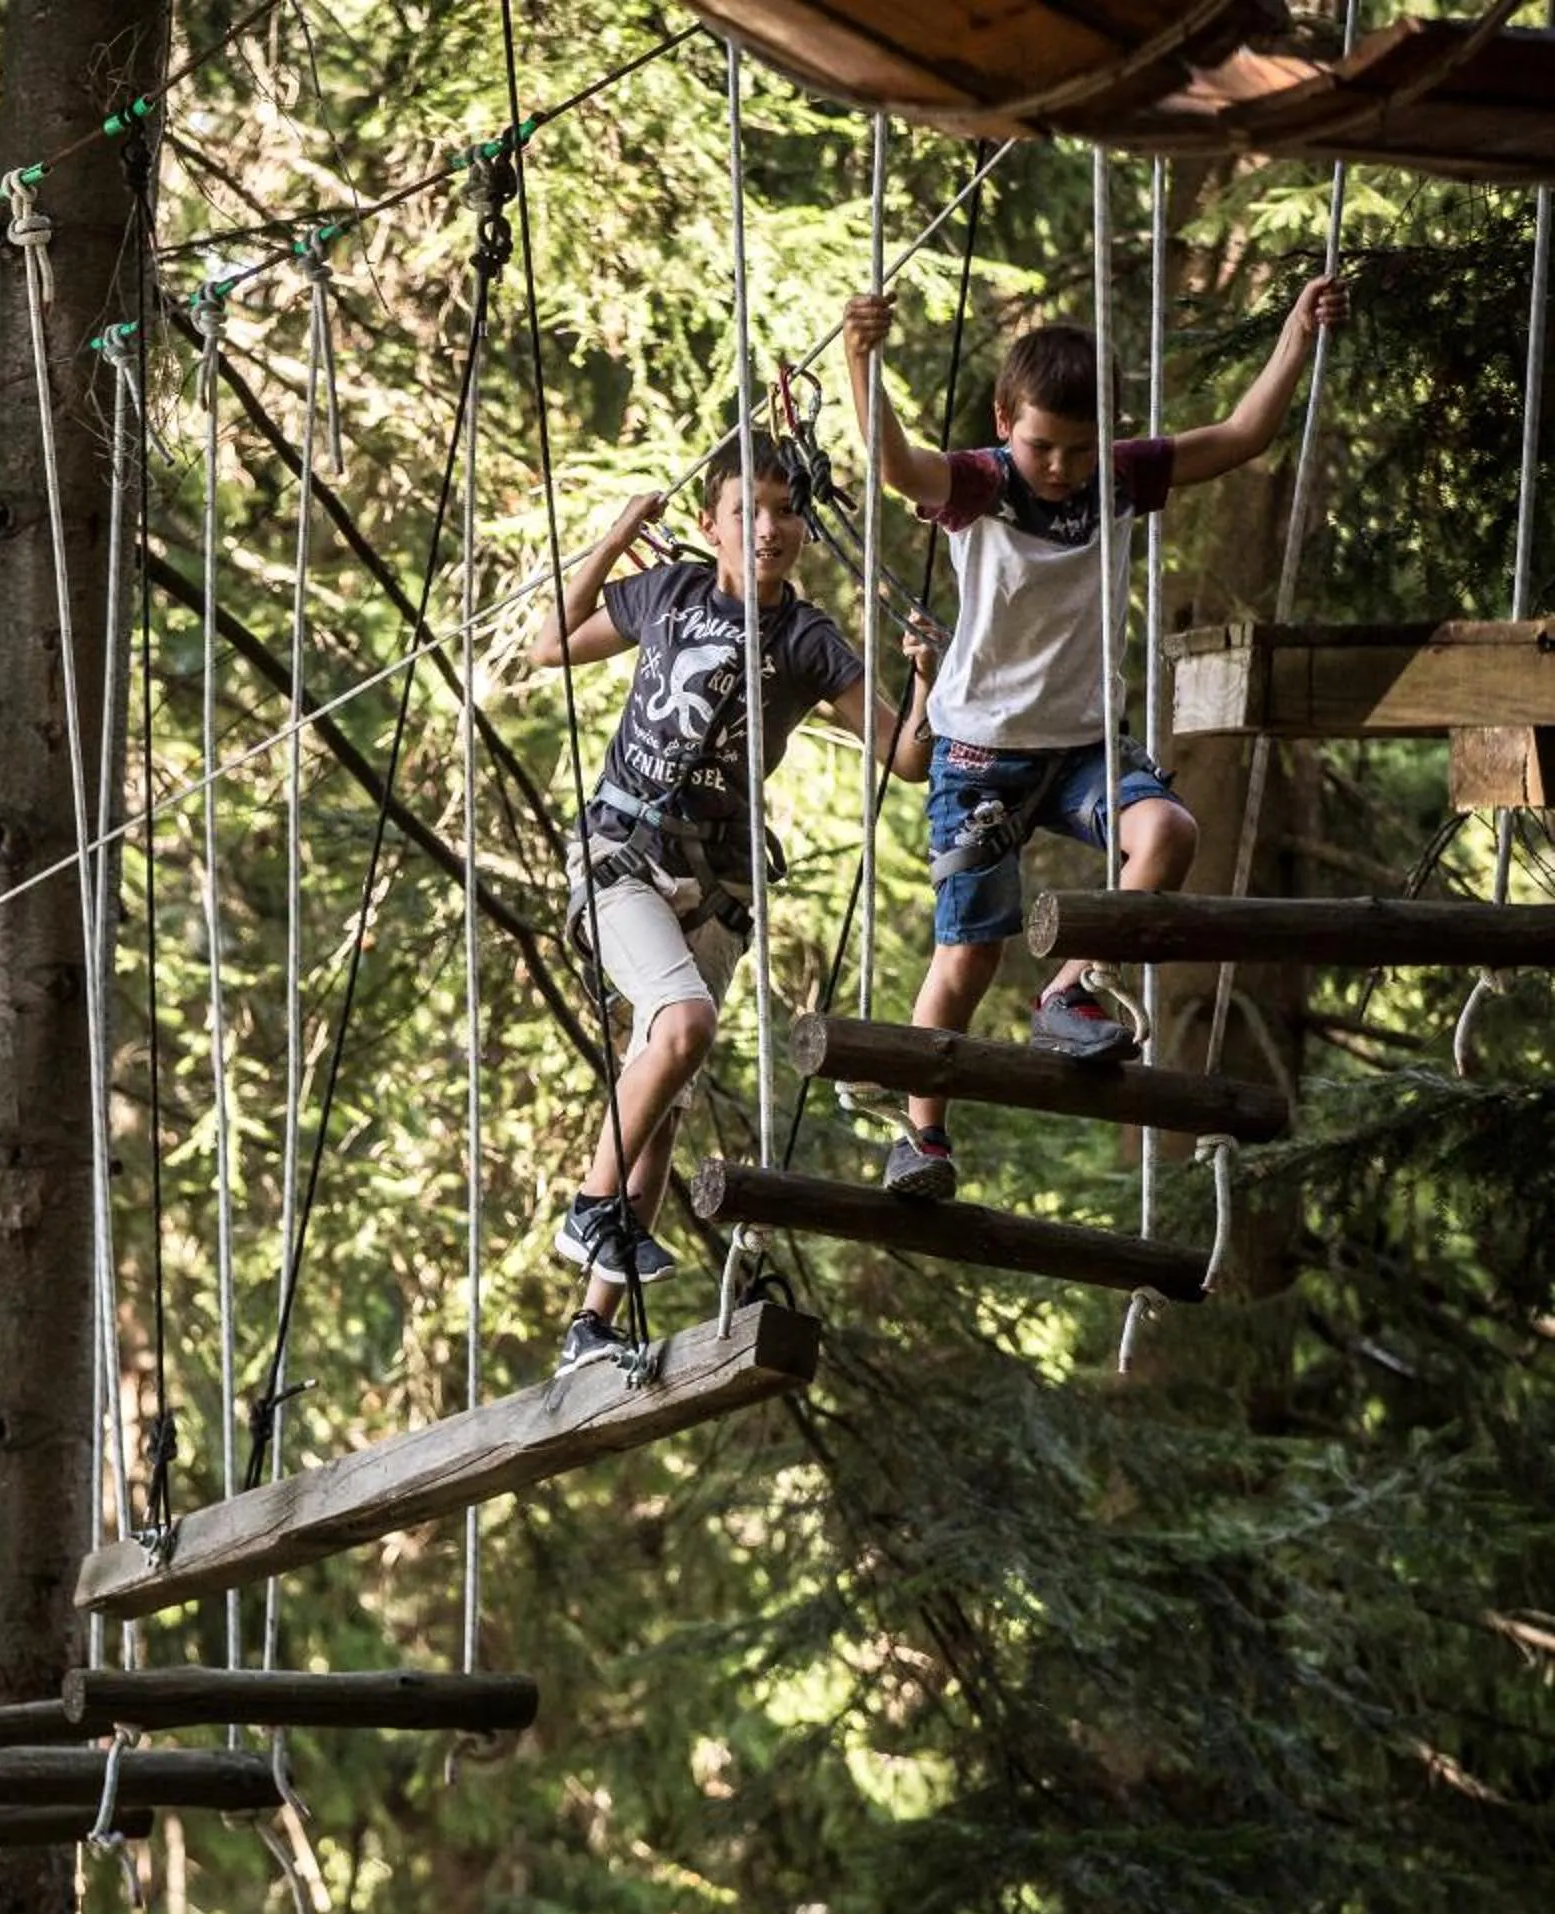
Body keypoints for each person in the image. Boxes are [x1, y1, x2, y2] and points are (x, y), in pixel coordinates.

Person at [843, 276, 1347, 1199]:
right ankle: (921, 1136)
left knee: (1169, 834)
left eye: (1080, 448)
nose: (1062, 468)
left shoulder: (1118, 478)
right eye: (1042, 445)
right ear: (1005, 421)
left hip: (1082, 750)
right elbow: (898, 468)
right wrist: (860, 363)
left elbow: (1238, 439)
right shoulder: (982, 484)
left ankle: (1072, 989)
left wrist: (1293, 340)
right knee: (967, 953)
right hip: (980, 759)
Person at [529, 435, 929, 1376]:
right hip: (621, 856)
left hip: (717, 886)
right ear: (710, 526)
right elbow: (553, 642)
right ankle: (593, 1211)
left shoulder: (808, 641)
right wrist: (617, 532)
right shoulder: (666, 593)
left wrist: (922, 680)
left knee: (659, 1098)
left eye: (786, 511)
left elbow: (905, 757)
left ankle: (591, 1324)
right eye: (746, 510)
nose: (771, 527)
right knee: (683, 1025)